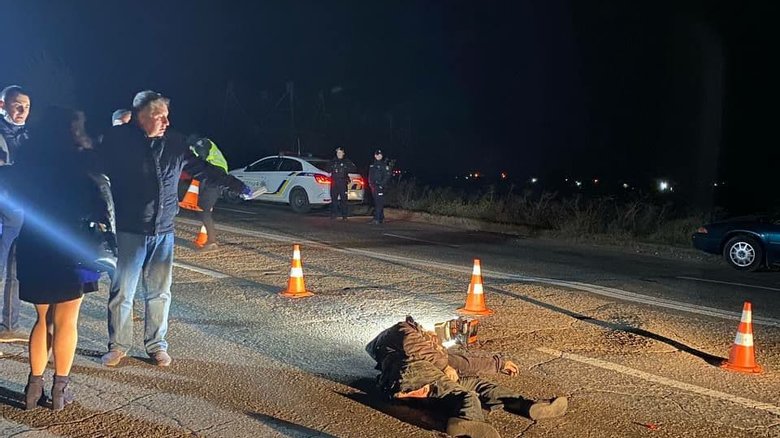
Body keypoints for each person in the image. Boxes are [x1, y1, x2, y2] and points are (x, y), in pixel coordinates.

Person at [100, 90, 251, 368]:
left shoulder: (175, 143)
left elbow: (202, 169)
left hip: (164, 230)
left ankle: (157, 345)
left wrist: (234, 184)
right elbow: (97, 166)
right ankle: (118, 346)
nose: (167, 122)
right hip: (130, 229)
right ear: (142, 117)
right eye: (160, 117)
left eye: (167, 116)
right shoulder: (120, 141)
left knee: (159, 292)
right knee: (123, 292)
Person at [12, 107, 114, 411]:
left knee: (42, 319)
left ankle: (33, 387)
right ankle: (60, 391)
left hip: (35, 243)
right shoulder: (83, 160)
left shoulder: (28, 159)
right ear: (75, 129)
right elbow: (102, 203)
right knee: (67, 320)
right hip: (72, 247)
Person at [366, 316, 568, 438]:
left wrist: (498, 364)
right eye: (430, 334)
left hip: (426, 375)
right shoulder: (402, 329)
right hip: (412, 374)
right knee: (467, 396)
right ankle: (469, 423)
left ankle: (527, 406)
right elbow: (417, 346)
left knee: (480, 385)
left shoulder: (432, 351)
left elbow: (459, 361)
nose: (434, 337)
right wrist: (444, 365)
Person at [0, 85, 31, 343]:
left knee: (15, 272)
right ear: (3, 106)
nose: (22, 110)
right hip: (2, 213)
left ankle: (10, 324)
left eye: (27, 106)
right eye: (17, 105)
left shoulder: (31, 136)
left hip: (24, 214)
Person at [188, 136, 229, 250]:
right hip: (210, 175)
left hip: (215, 174)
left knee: (204, 210)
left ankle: (211, 241)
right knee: (201, 209)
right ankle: (210, 240)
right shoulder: (196, 145)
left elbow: (201, 160)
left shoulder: (201, 144)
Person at [327, 147, 356, 220]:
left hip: (343, 182)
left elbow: (353, 168)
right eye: (338, 153)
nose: (339, 154)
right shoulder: (333, 161)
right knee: (334, 200)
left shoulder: (347, 161)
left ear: (343, 153)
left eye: (340, 152)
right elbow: (327, 169)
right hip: (334, 182)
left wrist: (346, 169)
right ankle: (334, 215)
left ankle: (344, 216)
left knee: (344, 200)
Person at [368, 149, 390, 224]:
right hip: (374, 186)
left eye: (380, 155)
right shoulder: (372, 165)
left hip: (380, 186)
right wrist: (371, 184)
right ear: (375, 155)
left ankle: (377, 219)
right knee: (377, 202)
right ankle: (381, 218)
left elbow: (387, 177)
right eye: (377, 154)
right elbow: (370, 176)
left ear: (382, 156)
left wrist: (381, 185)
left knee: (379, 203)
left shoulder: (384, 165)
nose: (378, 156)